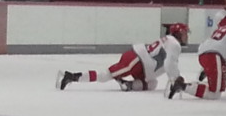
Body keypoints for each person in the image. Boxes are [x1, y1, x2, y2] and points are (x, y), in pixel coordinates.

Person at [57, 23, 189, 92]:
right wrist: (175, 79)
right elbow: (170, 64)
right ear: (179, 33)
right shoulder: (174, 44)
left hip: (142, 64)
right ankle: (72, 76)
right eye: (184, 33)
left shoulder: (170, 41)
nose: (186, 36)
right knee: (105, 76)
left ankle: (128, 85)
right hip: (138, 60)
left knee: (151, 84)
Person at [169, 18, 226, 99]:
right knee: (214, 94)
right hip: (214, 55)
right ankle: (183, 86)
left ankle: (197, 80)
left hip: (206, 53)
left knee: (222, 82)